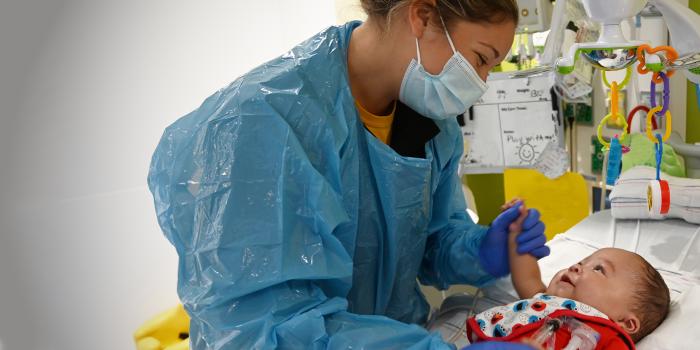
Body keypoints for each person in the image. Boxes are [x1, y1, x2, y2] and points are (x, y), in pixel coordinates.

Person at [148, 1, 550, 348]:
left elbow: (429, 240)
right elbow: (264, 328)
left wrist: (479, 248)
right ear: (423, 16)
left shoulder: (430, 125)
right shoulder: (262, 125)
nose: (480, 83)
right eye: (481, 59)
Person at [465, 202, 670, 348]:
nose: (575, 266)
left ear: (626, 322)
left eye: (599, 269)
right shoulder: (545, 301)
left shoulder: (607, 336)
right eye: (581, 262)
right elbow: (528, 278)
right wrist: (517, 234)